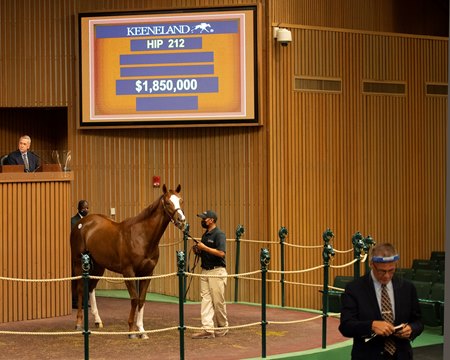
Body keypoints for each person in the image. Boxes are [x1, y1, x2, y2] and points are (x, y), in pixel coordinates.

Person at [339, 243, 424, 360]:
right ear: (371, 265)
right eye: (382, 271)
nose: (387, 276)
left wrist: (411, 329)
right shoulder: (354, 289)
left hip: (402, 355)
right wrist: (371, 326)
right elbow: (346, 326)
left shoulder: (407, 288)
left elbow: (418, 321)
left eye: (391, 270)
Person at [191, 210, 229, 339]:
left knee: (218, 301)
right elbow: (205, 252)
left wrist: (204, 248)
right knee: (205, 300)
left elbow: (221, 253)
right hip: (205, 271)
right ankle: (207, 329)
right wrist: (198, 251)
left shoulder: (219, 235)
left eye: (204, 218)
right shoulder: (205, 235)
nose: (202, 220)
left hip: (217, 271)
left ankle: (223, 327)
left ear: (211, 220)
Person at [71, 200, 89, 308]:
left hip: (86, 253)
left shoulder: (88, 221)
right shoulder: (73, 221)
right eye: (84, 208)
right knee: (76, 278)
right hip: (77, 254)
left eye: (87, 208)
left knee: (86, 278)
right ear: (79, 209)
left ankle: (84, 301)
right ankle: (75, 301)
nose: (86, 210)